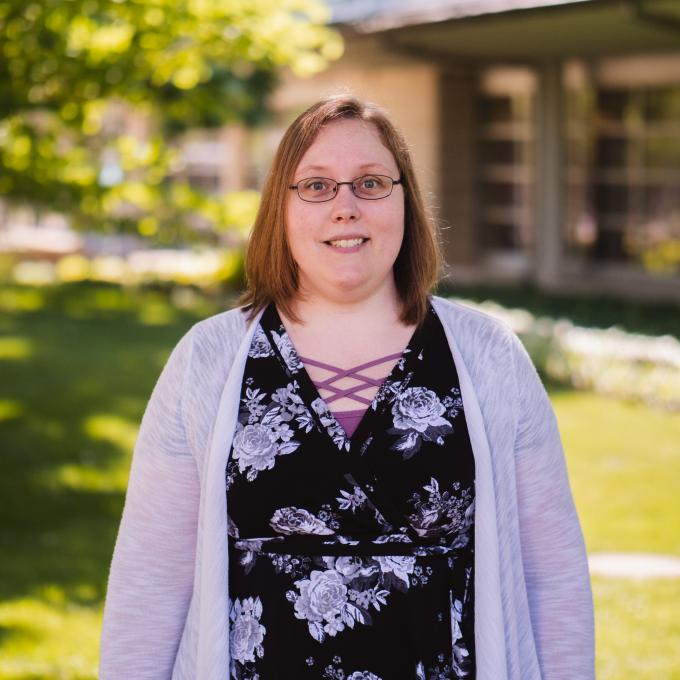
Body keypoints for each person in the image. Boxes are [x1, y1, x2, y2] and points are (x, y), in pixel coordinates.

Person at [99, 95, 595, 680]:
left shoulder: (489, 357)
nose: (345, 207)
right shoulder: (207, 360)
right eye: (315, 186)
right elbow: (151, 577)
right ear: (279, 209)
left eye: (370, 183)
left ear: (405, 199)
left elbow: (552, 574)